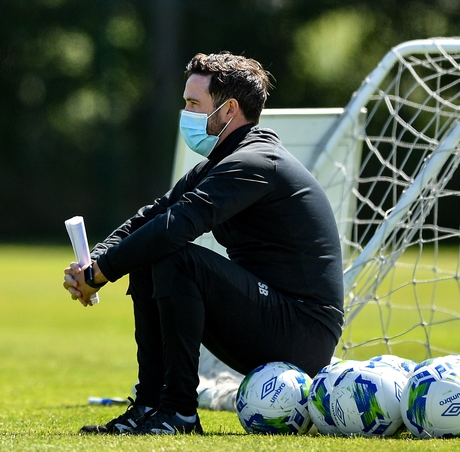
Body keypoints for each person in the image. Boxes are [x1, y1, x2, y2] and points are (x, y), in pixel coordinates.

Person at [62, 51, 344, 435]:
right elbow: (153, 215)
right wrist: (91, 263)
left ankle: (179, 413)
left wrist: (101, 272)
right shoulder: (221, 161)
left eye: (194, 104)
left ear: (228, 110)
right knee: (151, 249)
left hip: (303, 333)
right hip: (268, 318)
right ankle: (149, 405)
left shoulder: (256, 161)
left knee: (176, 256)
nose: (187, 113)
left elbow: (179, 224)